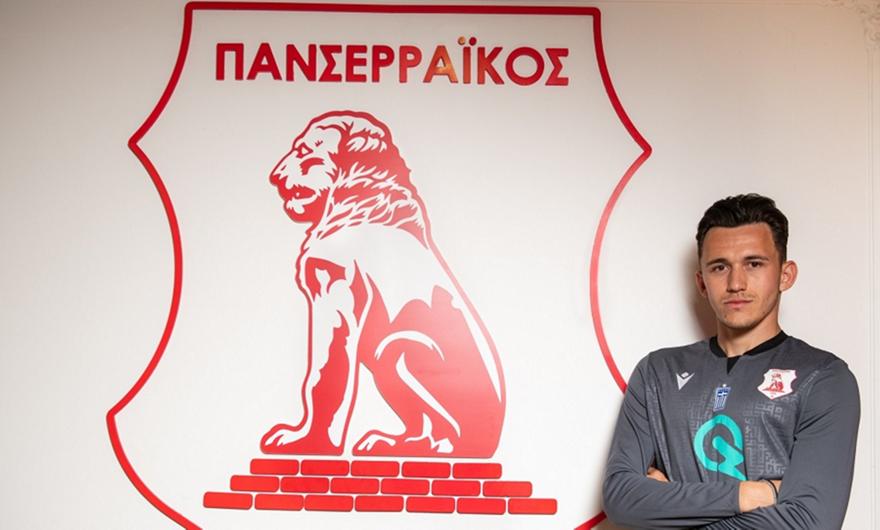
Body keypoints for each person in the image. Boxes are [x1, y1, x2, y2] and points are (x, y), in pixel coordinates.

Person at [602, 194, 860, 529]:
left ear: (785, 275)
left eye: (754, 264)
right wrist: (749, 494)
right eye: (720, 267)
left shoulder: (823, 378)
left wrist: (669, 513)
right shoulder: (657, 373)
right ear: (701, 282)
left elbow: (809, 522)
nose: (736, 283)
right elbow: (621, 499)